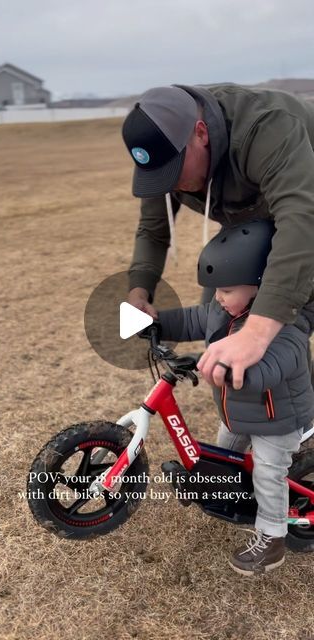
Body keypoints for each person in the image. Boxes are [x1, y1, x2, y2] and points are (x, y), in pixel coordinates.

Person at [121, 83, 314, 391]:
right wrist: (139, 292)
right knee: (223, 322)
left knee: (280, 320)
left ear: (201, 133)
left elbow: (301, 222)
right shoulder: (163, 155)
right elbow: (153, 230)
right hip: (258, 218)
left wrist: (256, 332)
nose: (173, 185)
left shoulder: (266, 129)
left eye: (175, 171)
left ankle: (298, 421)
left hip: (304, 205)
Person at [151, 220, 314, 575]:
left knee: (269, 472)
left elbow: (271, 367)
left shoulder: (286, 326)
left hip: (276, 419)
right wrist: (154, 322)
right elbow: (192, 319)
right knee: (225, 456)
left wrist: (235, 369)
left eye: (225, 289)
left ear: (259, 286)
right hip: (238, 414)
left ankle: (272, 540)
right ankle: (231, 498)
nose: (217, 297)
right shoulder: (222, 309)